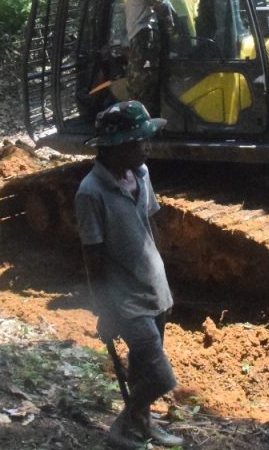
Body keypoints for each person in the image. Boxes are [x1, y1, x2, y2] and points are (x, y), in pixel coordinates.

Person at [75, 100, 185, 449]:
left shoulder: (141, 174)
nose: (147, 146)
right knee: (160, 376)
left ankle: (143, 424)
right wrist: (102, 308)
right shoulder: (90, 193)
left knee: (141, 367)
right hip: (124, 299)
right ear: (118, 146)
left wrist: (163, 277)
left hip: (153, 288)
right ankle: (121, 428)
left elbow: (150, 224)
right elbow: (92, 255)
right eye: (140, 140)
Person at [104, 0, 174, 111]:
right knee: (137, 86)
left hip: (143, 38)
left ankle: (144, 127)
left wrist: (171, 29)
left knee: (138, 89)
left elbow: (160, 1)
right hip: (139, 37)